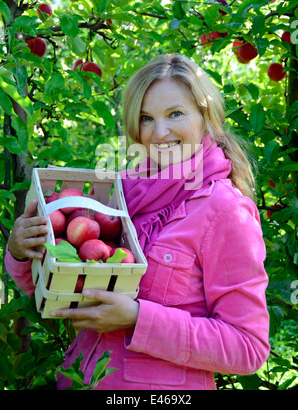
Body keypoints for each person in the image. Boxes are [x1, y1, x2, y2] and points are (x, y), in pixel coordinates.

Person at [5, 54, 270, 390]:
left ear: (207, 117)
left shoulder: (224, 210)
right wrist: (21, 251)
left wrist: (137, 319)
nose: (160, 133)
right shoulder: (120, 193)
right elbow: (62, 291)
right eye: (146, 118)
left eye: (175, 113)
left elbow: (248, 348)